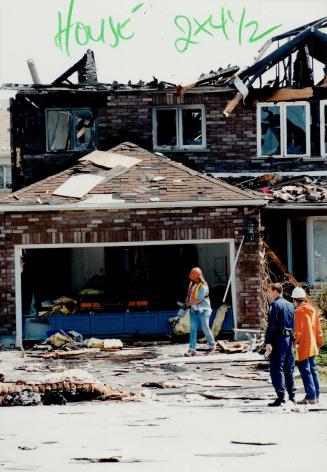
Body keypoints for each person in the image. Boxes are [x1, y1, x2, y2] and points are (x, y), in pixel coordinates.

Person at [265, 283, 296, 406]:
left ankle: (281, 396)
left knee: (277, 368)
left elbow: (272, 326)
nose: (268, 294)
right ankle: (292, 396)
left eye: (269, 291)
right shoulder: (290, 305)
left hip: (279, 340)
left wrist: (268, 342)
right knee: (289, 369)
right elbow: (293, 323)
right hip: (289, 339)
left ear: (275, 291)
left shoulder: (275, 305)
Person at [292, 287, 324, 405]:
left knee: (306, 371)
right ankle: (315, 397)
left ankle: (310, 397)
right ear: (304, 298)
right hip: (313, 345)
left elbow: (298, 332)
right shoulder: (312, 309)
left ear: (295, 300)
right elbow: (318, 328)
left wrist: (292, 344)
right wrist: (319, 342)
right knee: (313, 371)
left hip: (303, 347)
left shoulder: (298, 312)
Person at [184, 267, 216, 357]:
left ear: (197, 275)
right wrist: (186, 301)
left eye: (192, 273)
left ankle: (212, 346)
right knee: (193, 329)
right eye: (190, 273)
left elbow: (198, 300)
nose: (190, 275)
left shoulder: (203, 286)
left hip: (204, 310)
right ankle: (192, 350)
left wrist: (188, 304)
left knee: (205, 327)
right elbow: (188, 295)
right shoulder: (191, 284)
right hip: (194, 310)